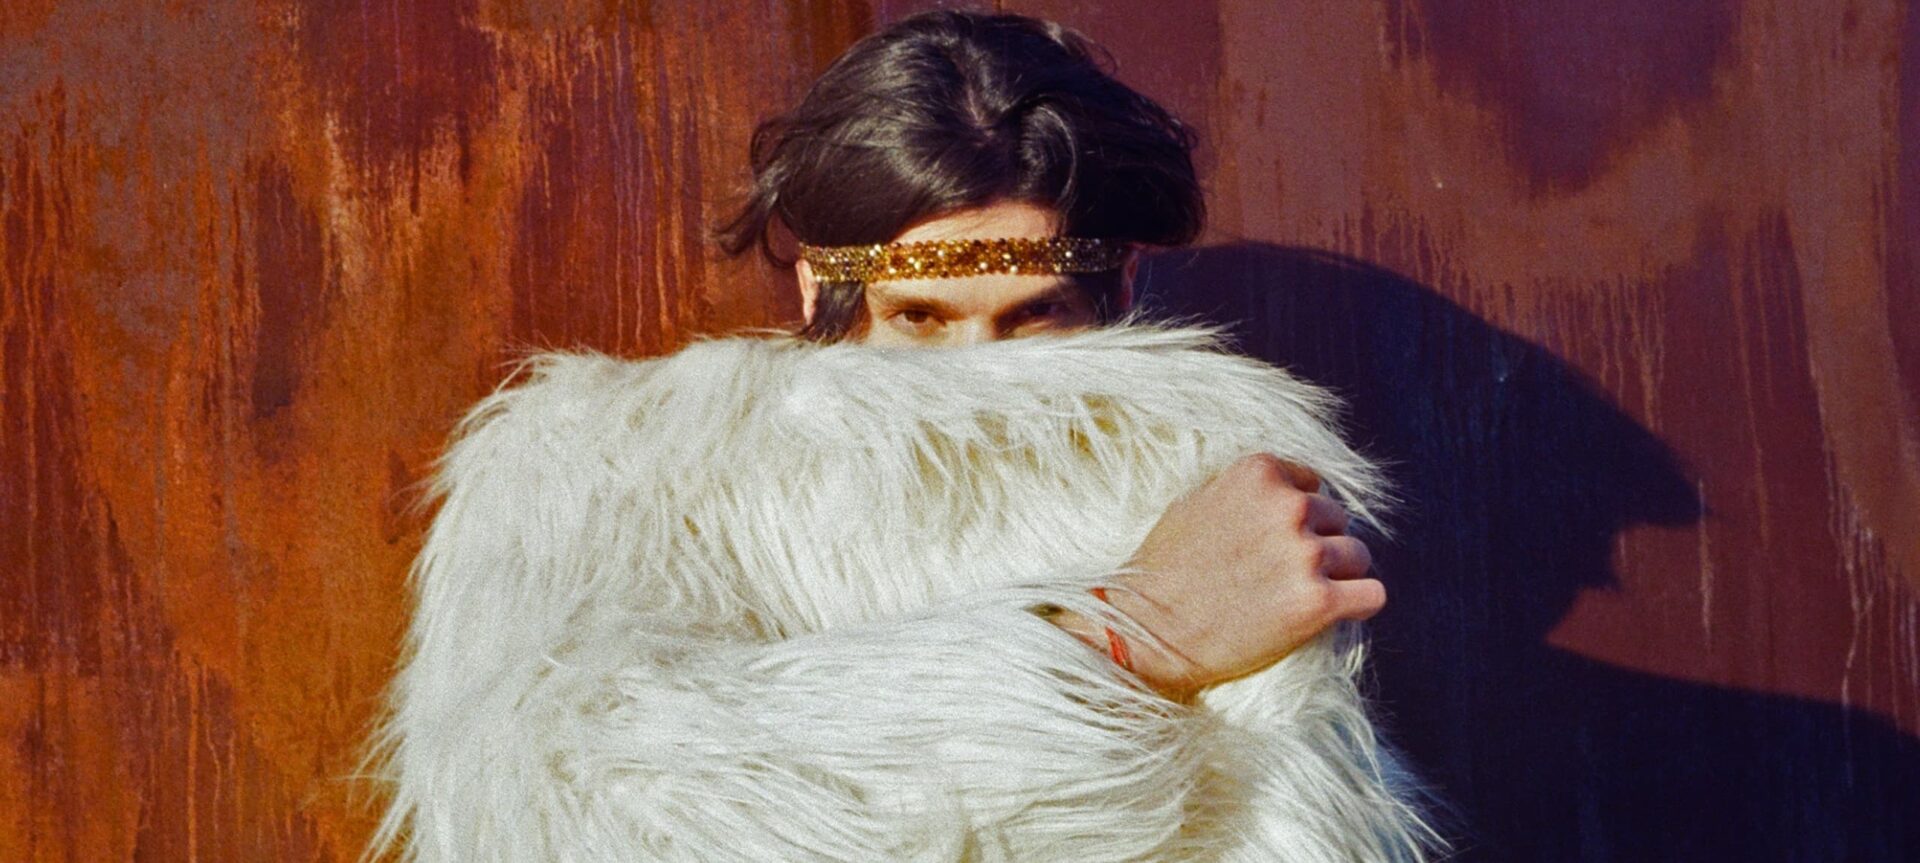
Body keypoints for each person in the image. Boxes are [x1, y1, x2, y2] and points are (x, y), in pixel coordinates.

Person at [366, 10, 1438, 862]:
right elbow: (573, 805)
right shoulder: (612, 471)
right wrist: (1133, 637)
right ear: (814, 291)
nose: (980, 377)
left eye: (1037, 316)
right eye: (920, 319)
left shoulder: (1203, 491)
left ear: (1121, 293)